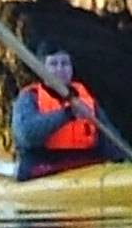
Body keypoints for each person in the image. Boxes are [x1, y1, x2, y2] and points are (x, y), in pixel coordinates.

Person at [11, 45, 121, 180]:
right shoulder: (29, 97)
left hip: (86, 166)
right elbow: (27, 135)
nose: (60, 69)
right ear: (42, 68)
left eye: (65, 63)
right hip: (46, 166)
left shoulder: (86, 98)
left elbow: (110, 138)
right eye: (53, 64)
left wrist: (122, 163)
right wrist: (68, 114)